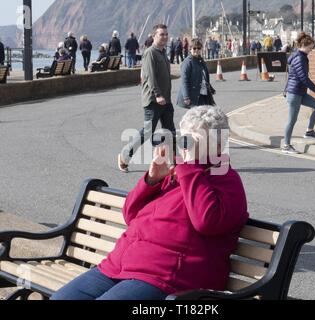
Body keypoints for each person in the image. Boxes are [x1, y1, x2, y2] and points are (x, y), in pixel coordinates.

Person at [51, 106, 249, 300]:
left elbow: (205, 222)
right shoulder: (175, 173)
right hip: (119, 266)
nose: (185, 144)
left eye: (194, 138)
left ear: (217, 144)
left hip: (168, 278)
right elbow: (130, 214)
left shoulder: (226, 180)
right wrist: (152, 180)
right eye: (185, 136)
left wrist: (190, 167)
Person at [118, 24, 176, 172]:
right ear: (154, 36)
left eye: (166, 34)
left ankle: (174, 163)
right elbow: (149, 76)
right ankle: (125, 155)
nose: (164, 37)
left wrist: (165, 97)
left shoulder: (163, 53)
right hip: (153, 100)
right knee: (147, 132)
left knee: (170, 132)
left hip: (166, 100)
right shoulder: (150, 53)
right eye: (161, 34)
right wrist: (157, 94)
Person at [282, 32, 315, 155]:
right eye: (310, 48)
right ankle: (286, 145)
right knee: (292, 120)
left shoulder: (301, 56)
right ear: (304, 45)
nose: (311, 50)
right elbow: (304, 79)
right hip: (294, 94)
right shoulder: (300, 58)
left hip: (299, 93)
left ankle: (309, 131)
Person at [177, 39, 216, 109]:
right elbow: (184, 81)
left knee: (205, 115)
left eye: (198, 48)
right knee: (197, 117)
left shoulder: (201, 61)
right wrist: (186, 97)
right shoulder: (187, 62)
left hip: (204, 94)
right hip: (194, 95)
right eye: (194, 48)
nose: (196, 50)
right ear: (190, 49)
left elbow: (204, 77)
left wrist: (210, 87)